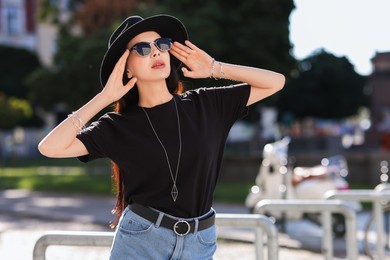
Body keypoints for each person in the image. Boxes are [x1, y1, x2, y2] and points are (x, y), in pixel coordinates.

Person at [38, 14, 285, 260]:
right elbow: (49, 147)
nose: (156, 52)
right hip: (141, 241)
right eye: (142, 49)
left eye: (161, 44)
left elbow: (275, 82)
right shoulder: (118, 126)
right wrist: (104, 97)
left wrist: (213, 68)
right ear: (126, 66)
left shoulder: (205, 105)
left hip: (200, 242)